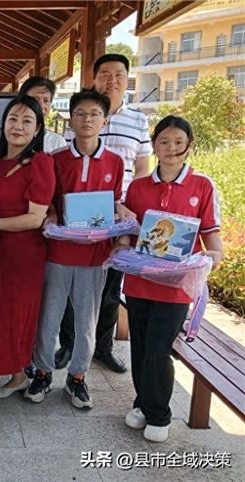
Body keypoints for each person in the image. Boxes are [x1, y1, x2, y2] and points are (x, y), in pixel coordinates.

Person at [117, 116, 222, 442]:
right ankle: (142, 402)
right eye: (164, 141)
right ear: (154, 145)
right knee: (140, 347)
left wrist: (211, 258)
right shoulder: (138, 187)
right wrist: (121, 245)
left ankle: (159, 414)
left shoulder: (202, 186)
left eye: (178, 142)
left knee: (159, 349)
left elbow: (212, 239)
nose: (171, 148)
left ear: (189, 145)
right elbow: (128, 234)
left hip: (177, 288)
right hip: (139, 283)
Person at [27, 90, 131, 410]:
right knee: (49, 317)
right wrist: (52, 215)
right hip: (56, 253)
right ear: (70, 119)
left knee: (87, 321)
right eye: (80, 114)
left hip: (94, 257)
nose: (87, 120)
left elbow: (114, 203)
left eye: (94, 114)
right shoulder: (55, 159)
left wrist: (121, 218)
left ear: (105, 121)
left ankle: (77, 377)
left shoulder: (115, 161)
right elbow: (48, 202)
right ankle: (43, 372)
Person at [56, 54, 151, 374]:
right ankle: (68, 344)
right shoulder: (79, 116)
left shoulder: (138, 120)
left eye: (119, 74)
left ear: (127, 79)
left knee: (110, 287)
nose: (112, 80)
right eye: (105, 74)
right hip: (77, 217)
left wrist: (126, 209)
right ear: (94, 78)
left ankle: (103, 347)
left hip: (117, 215)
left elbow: (142, 169)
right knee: (74, 287)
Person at [0, 96, 55, 437]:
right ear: (3, 124)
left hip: (23, 257)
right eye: (13, 119)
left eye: (27, 121)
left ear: (37, 129)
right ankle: (18, 375)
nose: (18, 126)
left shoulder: (41, 163)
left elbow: (36, 218)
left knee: (7, 320)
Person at [0, 76, 66, 160]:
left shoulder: (57, 142)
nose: (42, 106)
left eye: (46, 101)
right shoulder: (0, 139)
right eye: (35, 100)